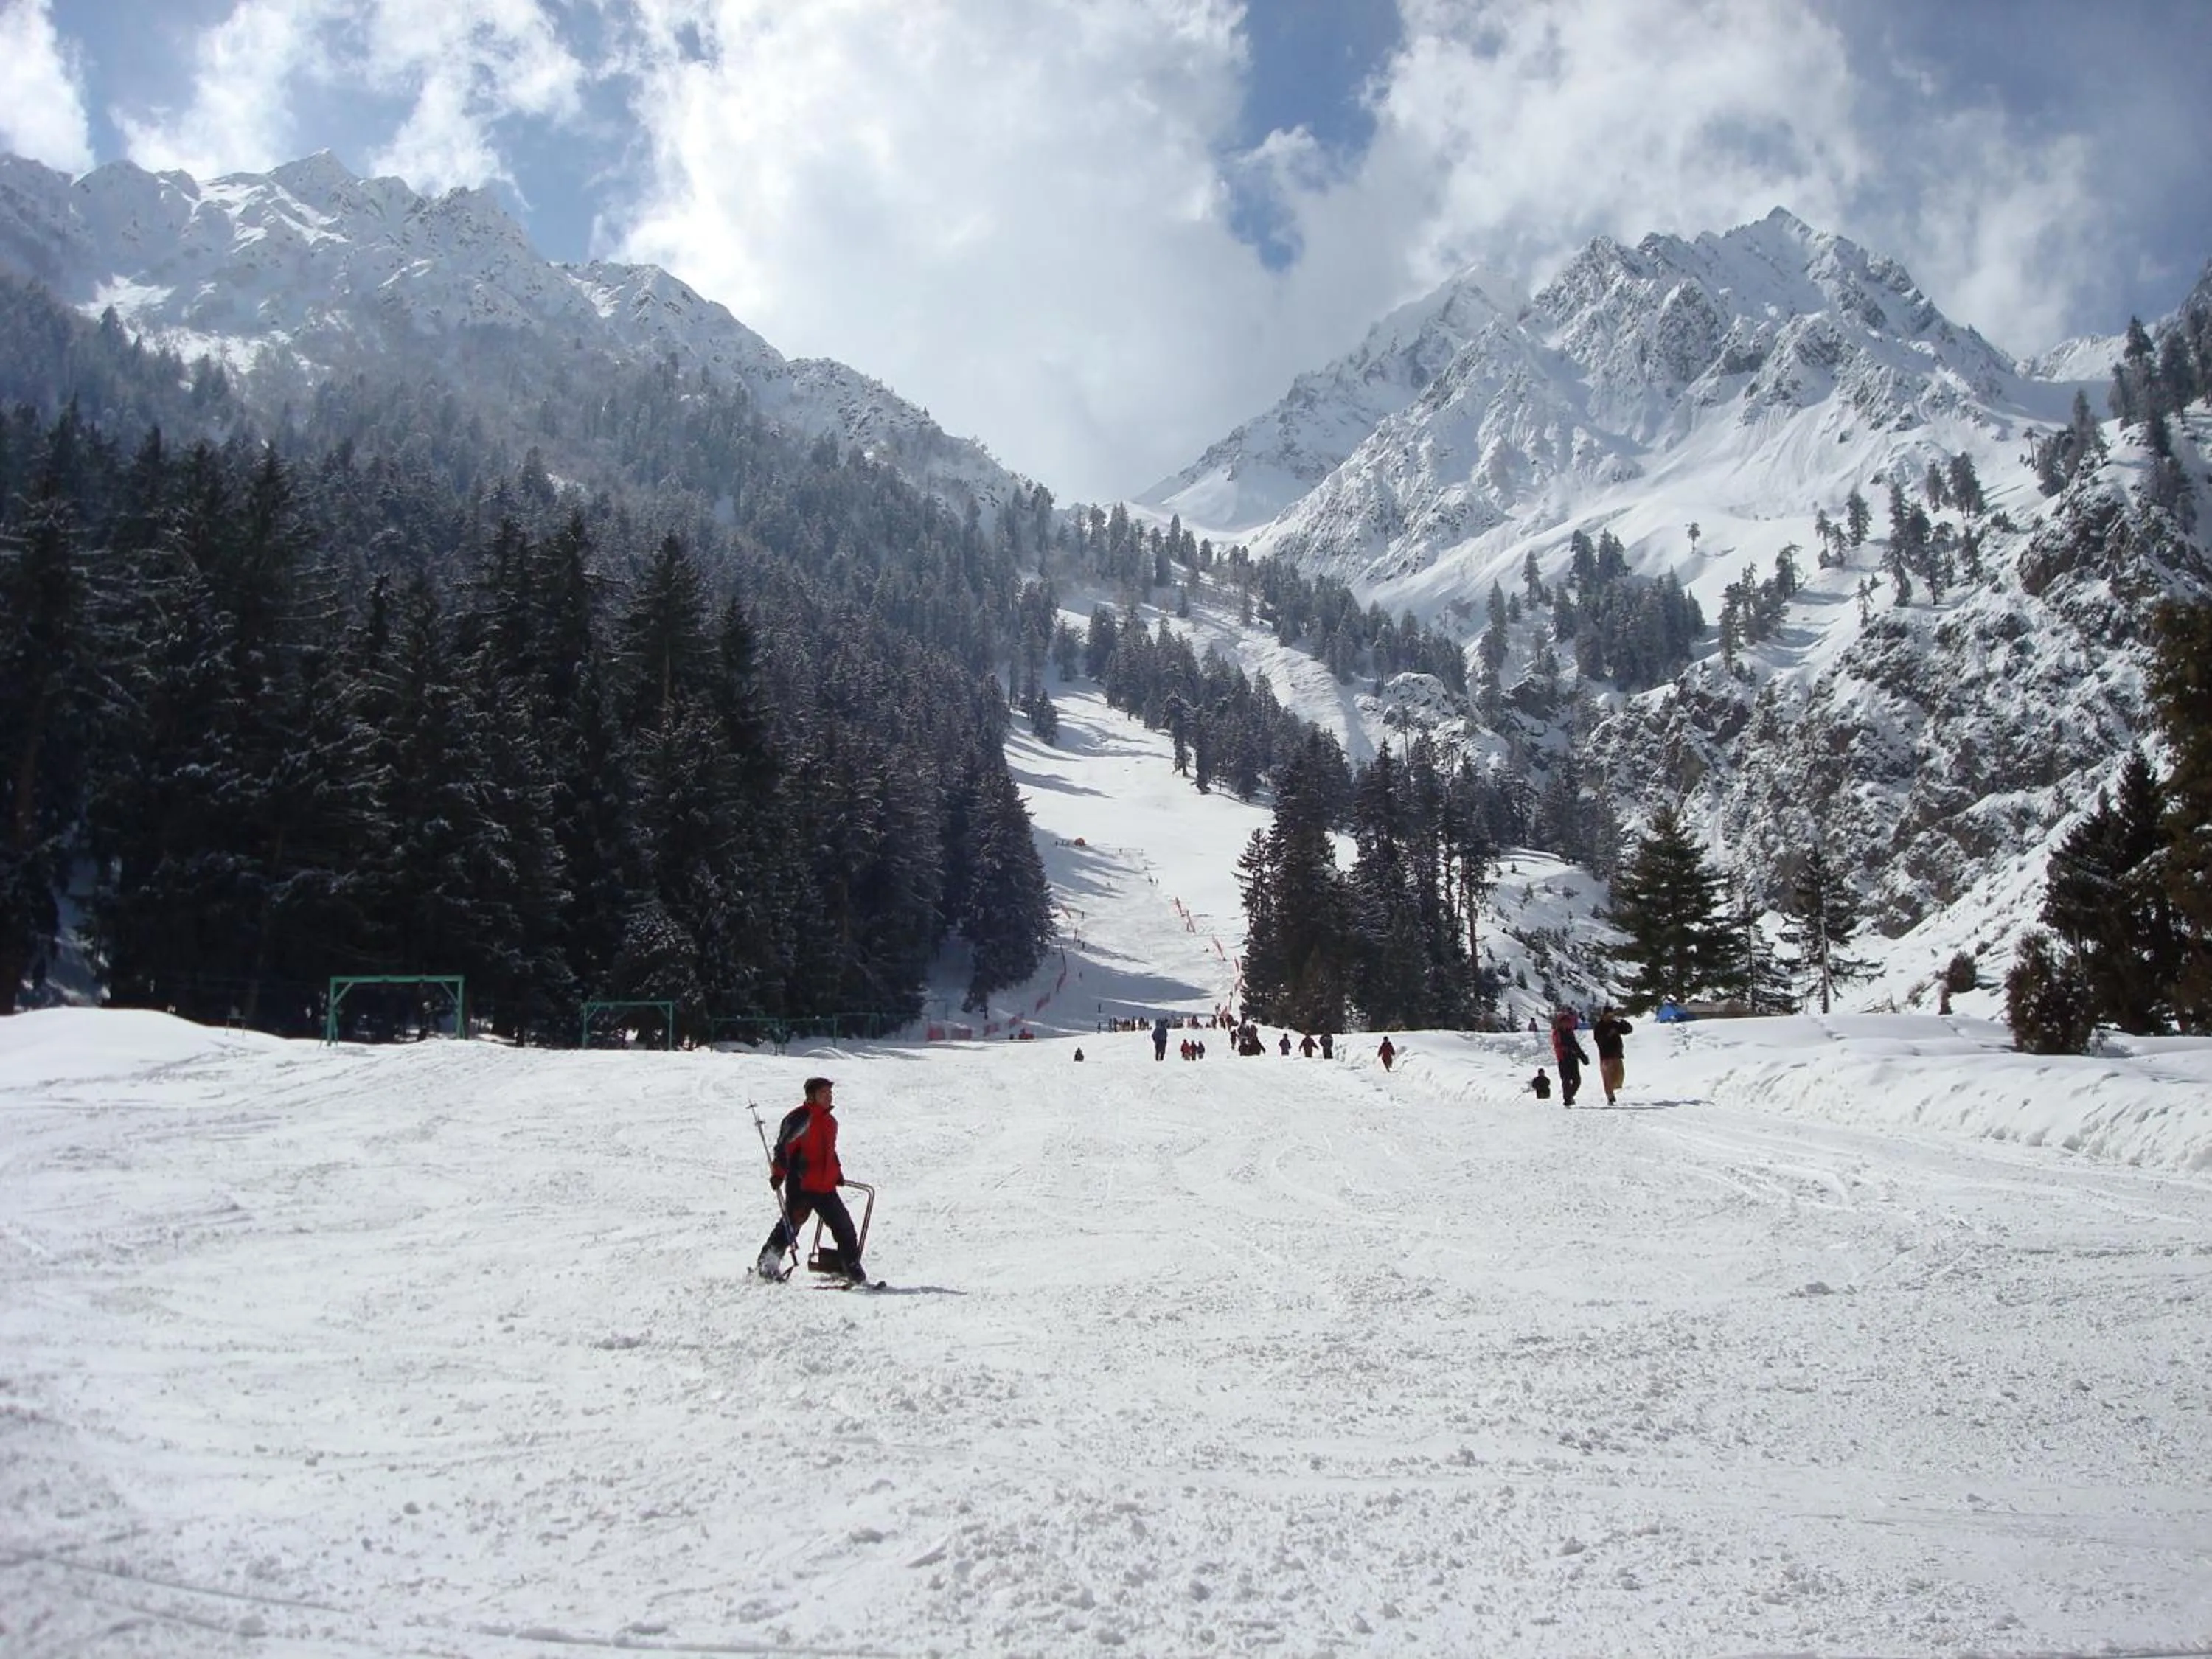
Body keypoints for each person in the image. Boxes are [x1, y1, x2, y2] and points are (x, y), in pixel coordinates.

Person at [757, 1077, 868, 1284]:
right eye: (823, 1093)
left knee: (844, 1226)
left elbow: (829, 1153)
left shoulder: (830, 1122)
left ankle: (851, 1266)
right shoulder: (799, 1119)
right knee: (791, 1226)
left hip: (825, 1187)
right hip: (802, 1185)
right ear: (811, 1096)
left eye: (830, 1093)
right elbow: (784, 1148)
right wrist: (778, 1174)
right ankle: (767, 1263)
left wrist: (837, 1174)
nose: (829, 1096)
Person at [1590, 1008, 1633, 1106]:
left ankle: (1611, 1090)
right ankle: (1610, 1096)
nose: (1610, 1017)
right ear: (1604, 1015)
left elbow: (1629, 1030)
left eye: (1611, 1015)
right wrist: (1609, 1035)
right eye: (1608, 1015)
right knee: (1607, 1077)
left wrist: (1623, 1022)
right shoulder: (1599, 1026)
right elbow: (1599, 1040)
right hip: (1606, 1055)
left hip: (1617, 1054)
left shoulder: (1615, 1024)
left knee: (1619, 1076)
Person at [1550, 1008, 1589, 1106]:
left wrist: (1582, 1056)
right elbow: (1557, 1046)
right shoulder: (1557, 1033)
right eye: (1565, 1022)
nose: (1567, 1024)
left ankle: (1569, 1096)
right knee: (1566, 1080)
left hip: (1573, 1059)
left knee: (1577, 1080)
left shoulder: (1570, 1033)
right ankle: (1567, 1099)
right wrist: (1567, 1050)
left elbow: (1576, 1045)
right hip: (1563, 1059)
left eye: (1568, 1022)